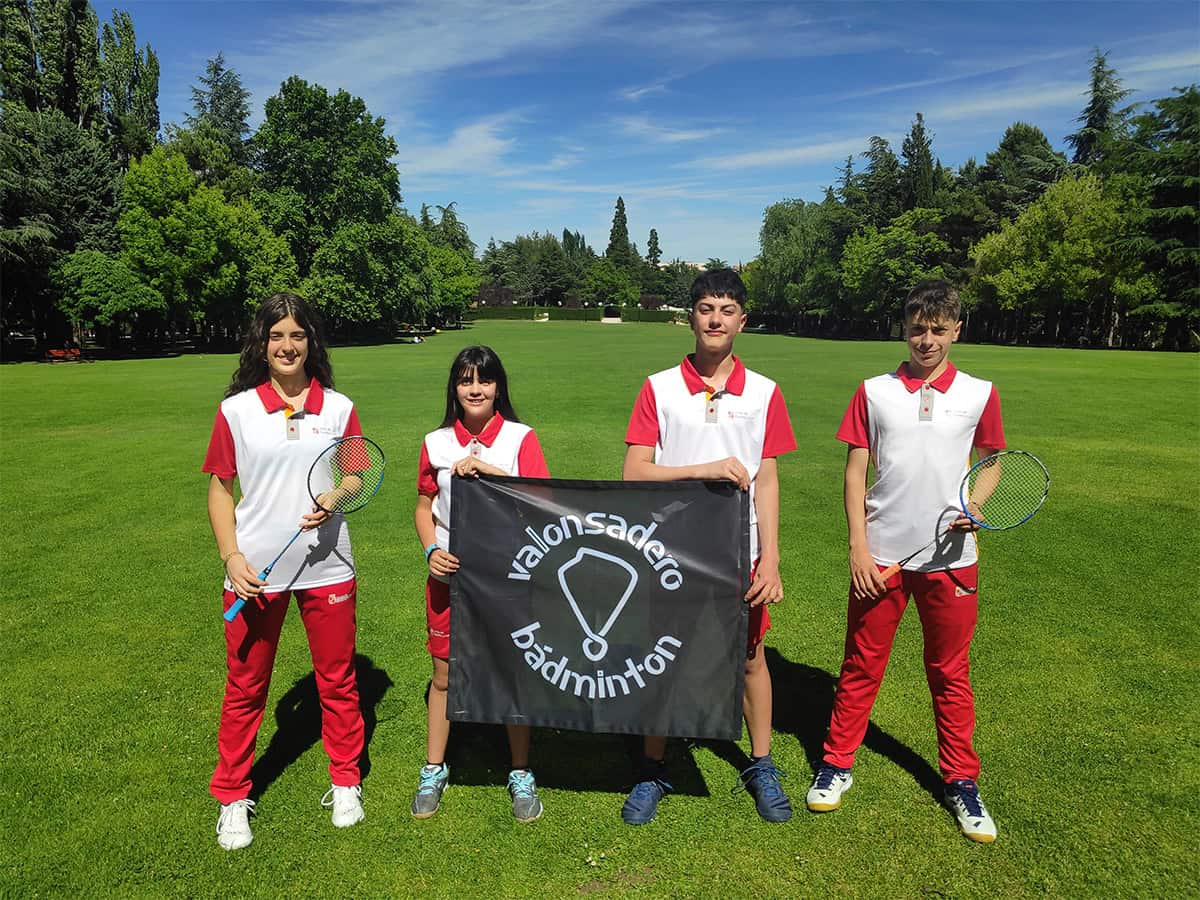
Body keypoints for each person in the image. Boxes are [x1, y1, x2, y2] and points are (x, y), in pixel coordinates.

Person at [805, 280, 1006, 843]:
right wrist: (858, 546)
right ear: (904, 327)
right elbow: (854, 472)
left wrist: (976, 505)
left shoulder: (979, 392)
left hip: (951, 557)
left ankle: (962, 782)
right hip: (883, 556)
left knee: (949, 673)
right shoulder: (873, 392)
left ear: (956, 330)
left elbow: (992, 459)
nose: (927, 340)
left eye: (938, 329)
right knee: (861, 665)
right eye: (918, 328)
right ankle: (836, 763)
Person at [621, 268, 797, 825]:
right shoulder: (659, 387)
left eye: (727, 310)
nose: (715, 319)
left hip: (735, 553)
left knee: (748, 660)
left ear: (742, 320)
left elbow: (766, 480)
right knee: (660, 659)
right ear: (690, 318)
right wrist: (707, 472)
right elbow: (634, 472)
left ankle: (761, 764)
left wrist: (769, 556)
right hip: (664, 550)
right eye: (705, 309)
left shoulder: (765, 392)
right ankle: (653, 768)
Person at [202, 292, 367, 851]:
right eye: (277, 336)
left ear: (310, 342)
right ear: (262, 343)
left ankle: (345, 780)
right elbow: (220, 490)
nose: (287, 346)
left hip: (328, 568)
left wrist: (334, 498)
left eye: (297, 335)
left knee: (339, 681)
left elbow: (354, 474)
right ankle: (232, 797)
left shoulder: (339, 408)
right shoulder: (237, 410)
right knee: (246, 688)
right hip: (254, 572)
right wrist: (232, 557)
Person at [412, 345, 551, 822]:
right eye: (466, 380)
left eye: (485, 381)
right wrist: (432, 550)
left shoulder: (520, 438)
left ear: (498, 388)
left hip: (510, 576)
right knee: (446, 675)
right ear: (454, 387)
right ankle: (434, 767)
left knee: (512, 673)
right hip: (451, 576)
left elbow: (544, 503)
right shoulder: (435, 442)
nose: (475, 389)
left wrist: (495, 473)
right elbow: (423, 506)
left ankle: (520, 770)